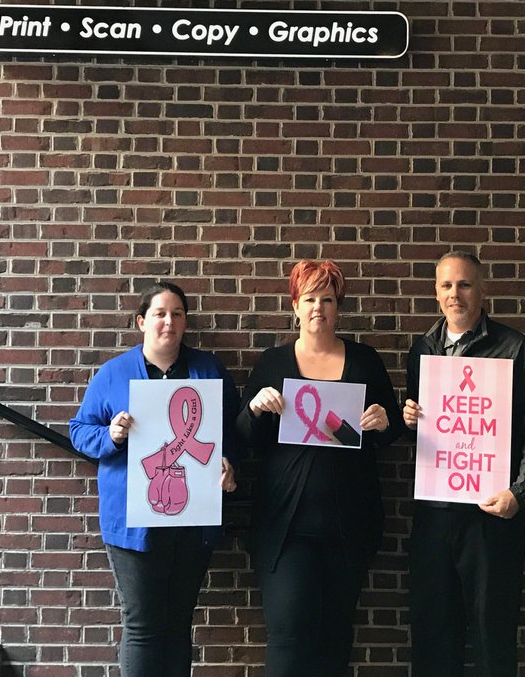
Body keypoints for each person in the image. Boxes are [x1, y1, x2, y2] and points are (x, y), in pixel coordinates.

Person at [237, 259, 405, 677]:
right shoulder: (273, 363)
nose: (318, 308)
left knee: (335, 636)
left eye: (327, 299)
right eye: (309, 298)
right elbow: (243, 436)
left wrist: (385, 422)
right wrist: (255, 409)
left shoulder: (365, 360)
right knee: (288, 635)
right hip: (286, 528)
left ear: (338, 307)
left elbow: (389, 430)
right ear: (294, 305)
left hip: (350, 523)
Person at [69, 281, 242, 677]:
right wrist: (110, 435)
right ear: (142, 322)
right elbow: (79, 430)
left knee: (180, 624)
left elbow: (230, 431)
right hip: (133, 523)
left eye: (177, 314)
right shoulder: (113, 374)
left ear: (185, 323)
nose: (169, 322)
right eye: (160, 314)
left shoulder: (208, 369)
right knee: (144, 626)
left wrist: (230, 463)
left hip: (192, 519)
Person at [402, 251, 525, 677]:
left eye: (465, 284)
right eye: (447, 285)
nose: (455, 294)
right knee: (432, 632)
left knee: (493, 633)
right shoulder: (423, 350)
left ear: (482, 291)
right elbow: (430, 430)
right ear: (435, 292)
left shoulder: (514, 348)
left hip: (491, 516)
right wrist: (410, 417)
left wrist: (518, 494)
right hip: (435, 516)